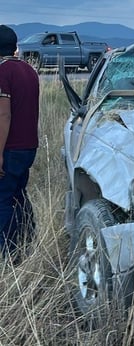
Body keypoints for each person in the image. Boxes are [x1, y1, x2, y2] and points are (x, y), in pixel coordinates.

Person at [0, 25, 39, 257]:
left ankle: (6, 254)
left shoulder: (3, 72)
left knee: (3, 200)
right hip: (28, 146)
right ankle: (26, 241)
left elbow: (3, 115)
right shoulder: (29, 70)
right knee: (18, 194)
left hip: (10, 147)